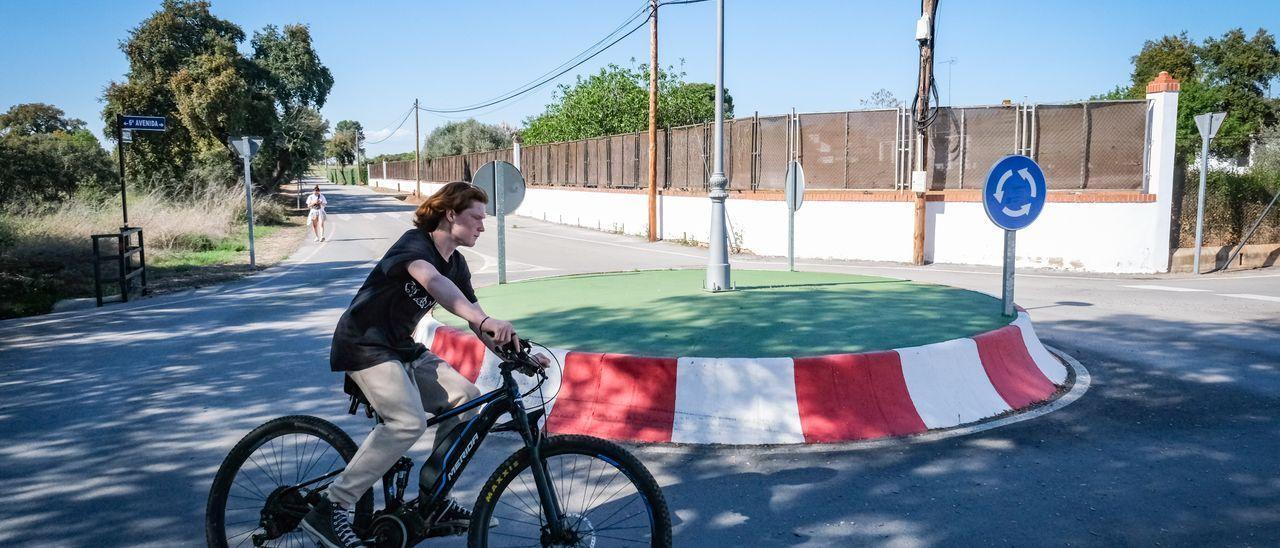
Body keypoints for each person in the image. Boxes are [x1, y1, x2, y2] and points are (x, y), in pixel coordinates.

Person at [302, 181, 545, 548]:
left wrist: (519, 353)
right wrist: (481, 321)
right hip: (364, 343)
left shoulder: (457, 264)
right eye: (476, 217)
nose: (482, 225)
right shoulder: (415, 244)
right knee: (407, 421)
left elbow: (476, 317)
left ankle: (433, 502)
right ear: (450, 214)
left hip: (401, 347)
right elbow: (432, 283)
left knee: (465, 398)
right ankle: (329, 506)